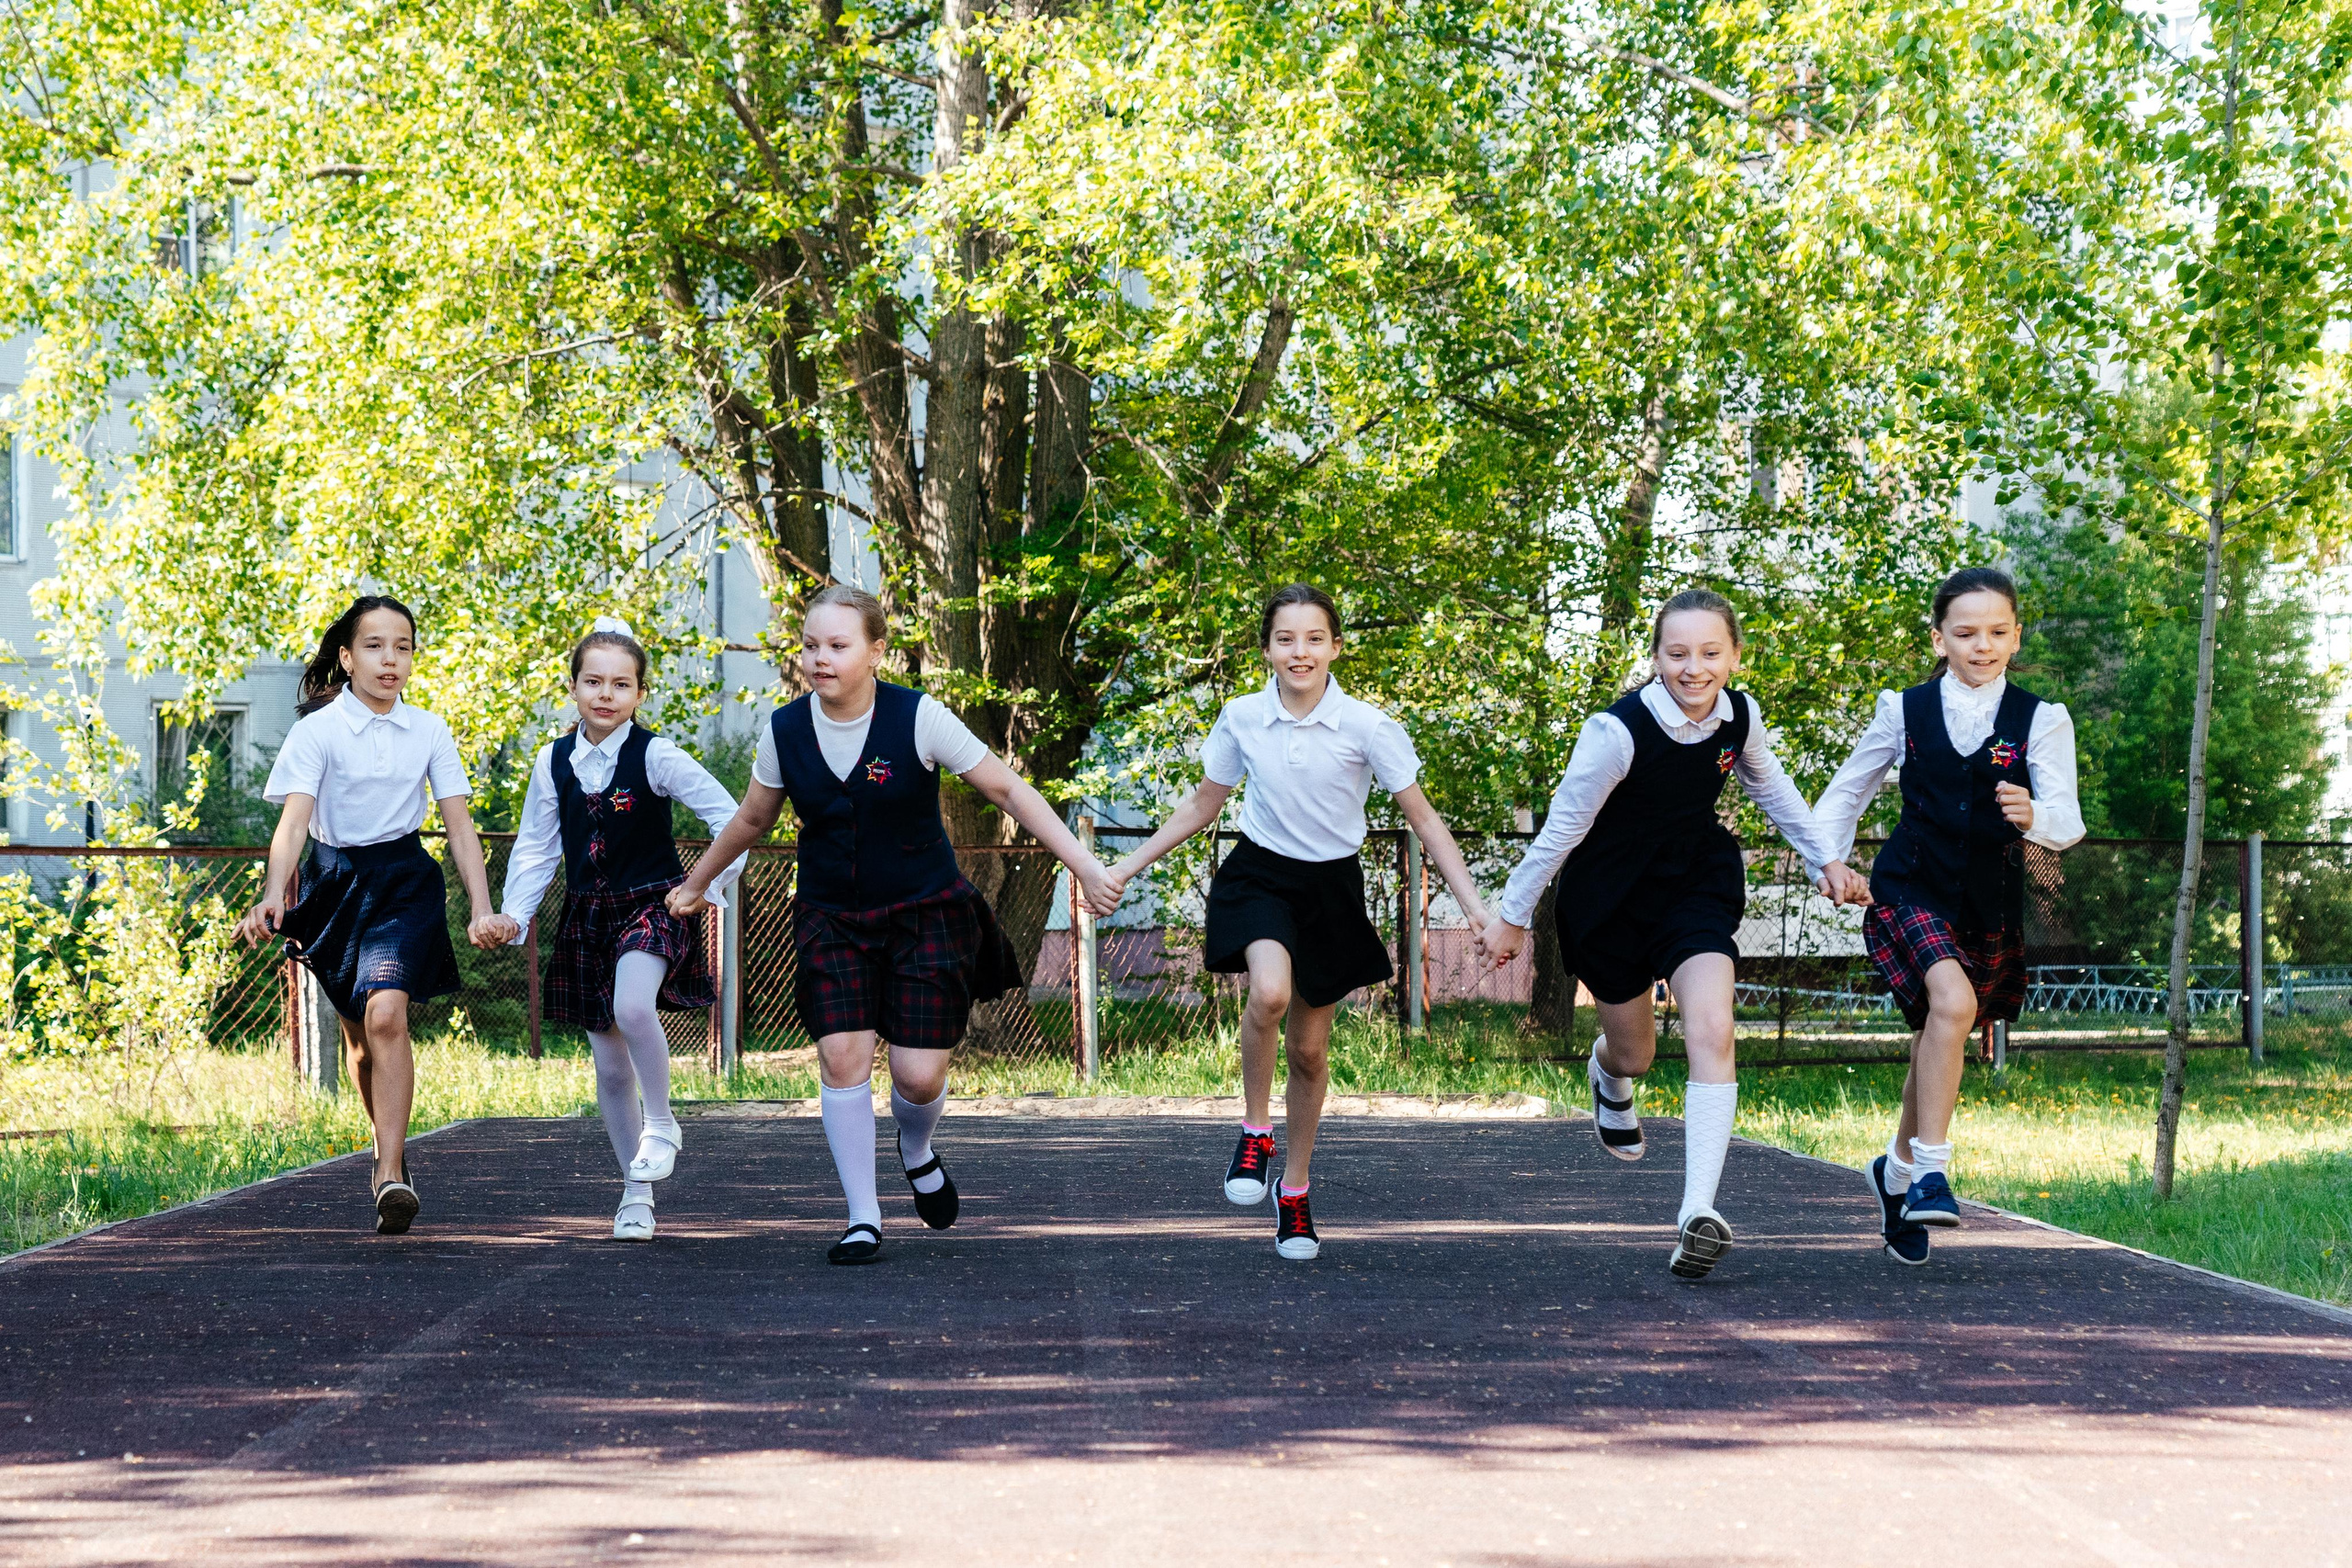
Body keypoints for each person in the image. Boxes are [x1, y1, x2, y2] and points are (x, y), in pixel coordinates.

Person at [667, 584, 1121, 1264]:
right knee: (842, 1056)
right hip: (831, 916)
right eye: (811, 645)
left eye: (839, 645)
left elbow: (1007, 788)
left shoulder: (919, 718)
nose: (821, 658)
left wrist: (1083, 864)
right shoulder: (785, 731)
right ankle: (862, 1216)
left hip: (924, 912)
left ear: (876, 651)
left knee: (916, 1075)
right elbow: (753, 819)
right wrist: (698, 882)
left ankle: (916, 1144)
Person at [1481, 589, 1868, 1280]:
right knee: (1636, 1052)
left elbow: (1773, 790)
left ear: (1735, 655)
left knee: (1714, 1028)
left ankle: (1696, 1213)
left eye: (1711, 653)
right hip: (1611, 896)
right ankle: (1609, 1072)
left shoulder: (1739, 717)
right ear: (1656, 657)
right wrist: (1513, 913)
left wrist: (1826, 861)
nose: (1695, 668)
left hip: (1694, 883)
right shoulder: (1617, 731)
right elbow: (1564, 827)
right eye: (1678, 653)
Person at [1102, 583, 1495, 1261]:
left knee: (1310, 1052)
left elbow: (1424, 820)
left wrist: (1479, 909)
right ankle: (1255, 1129)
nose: (1300, 651)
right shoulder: (1242, 717)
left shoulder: (1369, 727)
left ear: (1336, 647)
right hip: (1259, 876)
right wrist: (1125, 868)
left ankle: (1295, 1191)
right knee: (1271, 992)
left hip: (1330, 890)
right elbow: (1202, 804)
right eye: (1286, 638)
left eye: (1315, 638)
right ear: (1267, 648)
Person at [1812, 566, 2083, 1265]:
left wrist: (2037, 815)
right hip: (1907, 888)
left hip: (1986, 905)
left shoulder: (2041, 718)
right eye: (1965, 633)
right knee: (1953, 999)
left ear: (2016, 635)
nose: (1982, 645)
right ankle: (1933, 1168)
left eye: (1997, 632)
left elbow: (2067, 820)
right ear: (1939, 637)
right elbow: (1847, 791)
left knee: (1946, 1024)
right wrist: (1829, 859)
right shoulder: (1903, 710)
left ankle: (1895, 1174)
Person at [475, 618, 747, 1242]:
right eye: (592, 680)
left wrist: (705, 883)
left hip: (654, 905)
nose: (605, 693)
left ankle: (663, 1123)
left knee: (633, 1003)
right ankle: (635, 1191)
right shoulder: (552, 761)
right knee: (609, 1065)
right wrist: (516, 915)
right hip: (587, 916)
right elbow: (537, 849)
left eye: (620, 683)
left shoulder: (656, 754)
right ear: (572, 687)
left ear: (639, 693)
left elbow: (731, 818)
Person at [237, 595, 498, 1235]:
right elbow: (294, 821)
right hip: (333, 886)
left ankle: (389, 1171)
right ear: (348, 657)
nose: (391, 659)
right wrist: (276, 892)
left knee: (387, 1013)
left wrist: (483, 907)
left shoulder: (430, 730)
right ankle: (391, 1146)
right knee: (359, 1038)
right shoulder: (318, 731)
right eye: (376, 646)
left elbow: (460, 828)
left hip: (404, 881)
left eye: (403, 646)